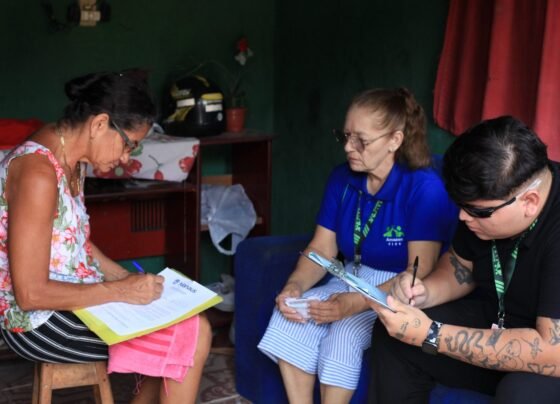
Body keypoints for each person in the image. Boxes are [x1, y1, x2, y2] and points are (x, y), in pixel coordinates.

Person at [0, 70, 212, 404]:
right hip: (36, 322)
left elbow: (75, 243)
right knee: (193, 334)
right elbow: (30, 294)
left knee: (187, 324)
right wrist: (120, 291)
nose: (126, 158)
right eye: (129, 144)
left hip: (72, 297)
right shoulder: (38, 174)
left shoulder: (72, 156)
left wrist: (124, 278)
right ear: (99, 124)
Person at [257, 88, 458, 403]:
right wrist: (294, 286)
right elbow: (322, 249)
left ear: (395, 140)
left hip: (397, 287)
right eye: (345, 136)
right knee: (291, 314)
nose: (348, 147)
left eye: (361, 140)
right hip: (349, 274)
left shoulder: (424, 188)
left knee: (345, 333)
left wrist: (356, 302)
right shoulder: (343, 178)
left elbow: (419, 272)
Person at [367, 115, 560, 403]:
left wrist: (430, 333)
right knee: (393, 334)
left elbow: (553, 352)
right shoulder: (485, 202)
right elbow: (460, 266)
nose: (462, 217)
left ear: (529, 202)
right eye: (461, 206)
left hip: (549, 353)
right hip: (499, 318)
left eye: (477, 211)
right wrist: (423, 292)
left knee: (521, 394)